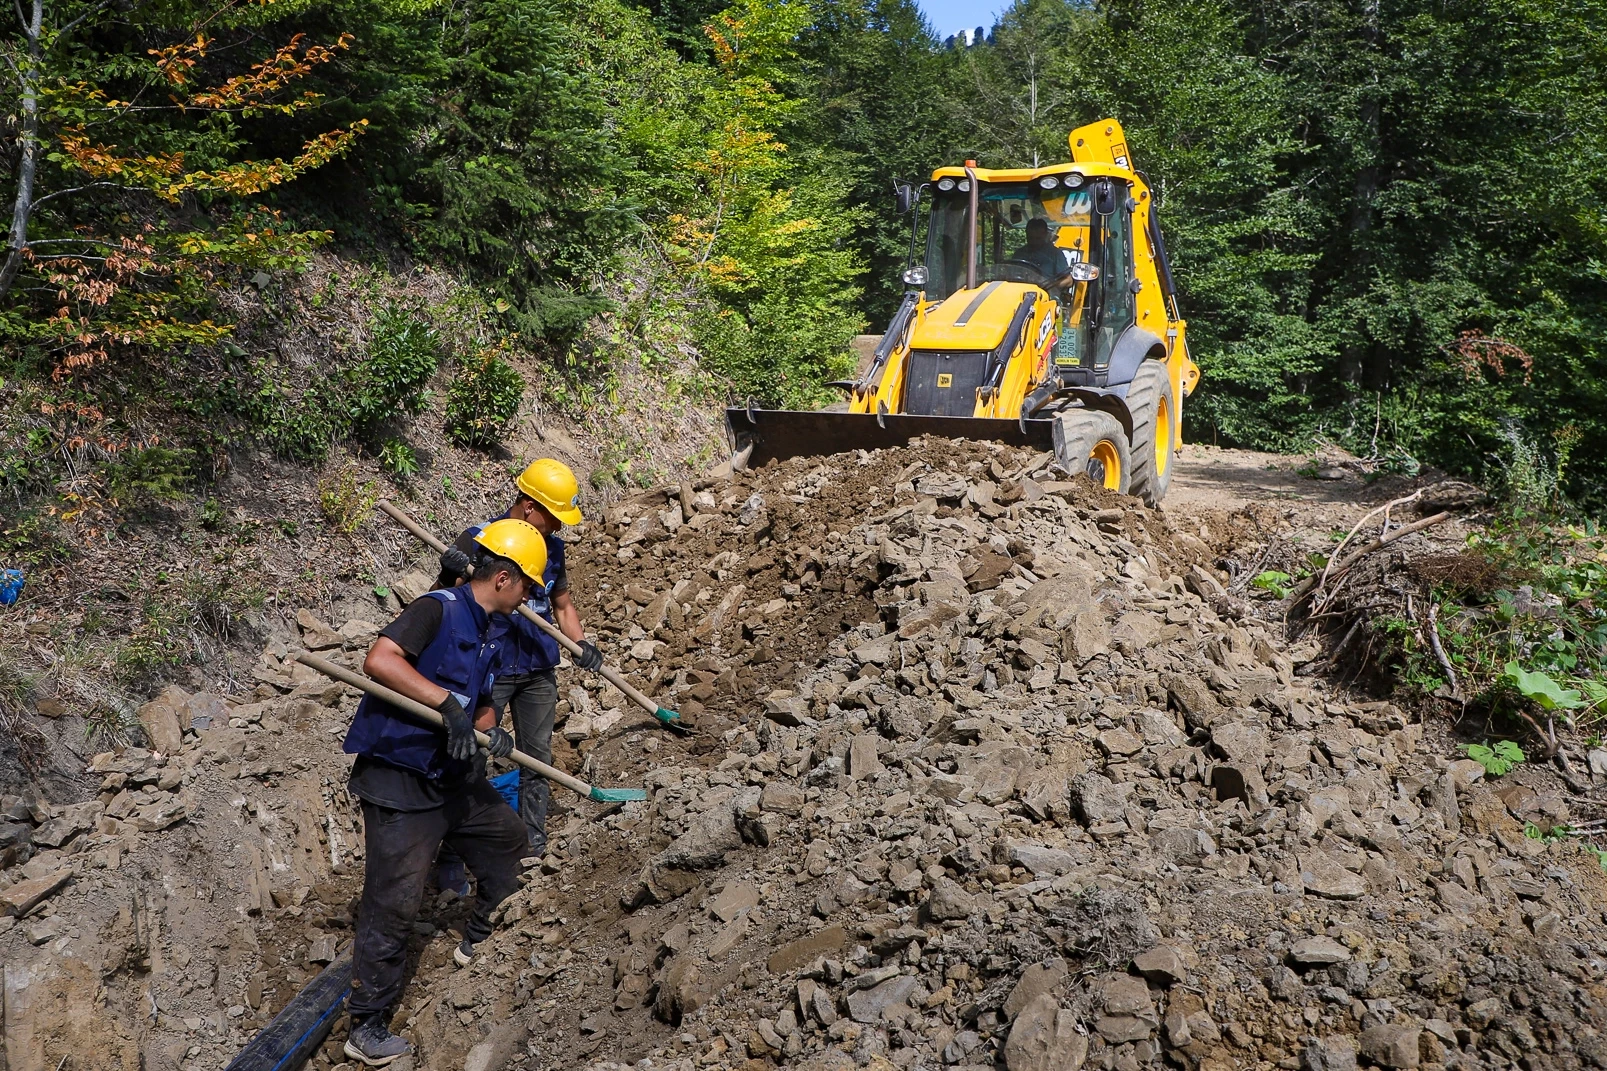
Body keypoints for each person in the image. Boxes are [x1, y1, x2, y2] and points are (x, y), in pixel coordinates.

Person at [341, 519, 547, 1067]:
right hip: (401, 778)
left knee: (508, 843)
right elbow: (380, 660)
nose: (529, 597)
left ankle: (479, 935)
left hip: (453, 776)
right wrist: (443, 703)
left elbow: (482, 701)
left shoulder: (492, 629)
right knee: (395, 902)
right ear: (503, 578)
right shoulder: (436, 609)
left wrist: (486, 724)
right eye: (526, 585)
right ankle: (366, 1025)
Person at [435, 458, 602, 866]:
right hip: (486, 669)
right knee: (470, 757)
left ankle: (532, 847)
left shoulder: (553, 548)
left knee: (537, 757)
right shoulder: (483, 540)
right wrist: (447, 573)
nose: (560, 526)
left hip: (537, 668)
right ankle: (456, 856)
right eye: (555, 516)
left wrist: (580, 643)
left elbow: (561, 603)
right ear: (529, 506)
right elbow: (442, 601)